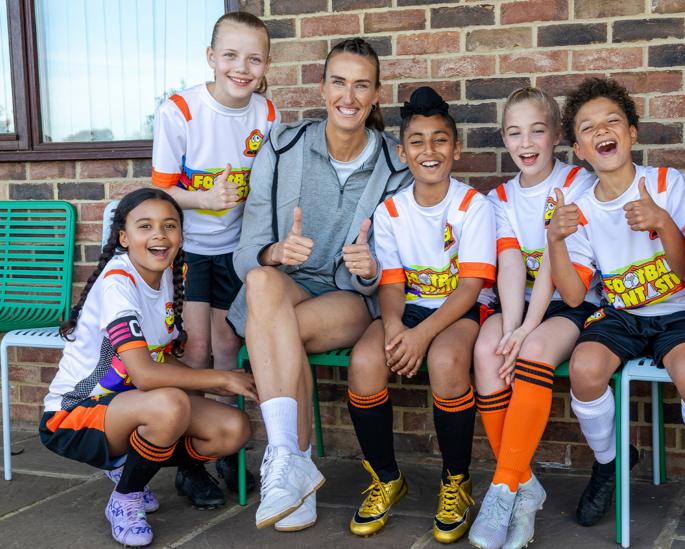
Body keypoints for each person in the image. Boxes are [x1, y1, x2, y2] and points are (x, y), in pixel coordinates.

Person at [228, 37, 412, 532]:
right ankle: (292, 460)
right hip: (283, 287)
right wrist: (274, 252)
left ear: (376, 94)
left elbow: (394, 269)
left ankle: (289, 462)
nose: (348, 97)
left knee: (275, 328)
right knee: (262, 281)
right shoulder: (283, 146)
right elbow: (246, 253)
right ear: (322, 87)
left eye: (361, 86)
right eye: (338, 83)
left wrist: (370, 268)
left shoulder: (395, 167)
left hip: (348, 298)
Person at [547, 78, 685, 546]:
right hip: (623, 314)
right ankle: (609, 464)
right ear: (579, 150)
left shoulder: (667, 183)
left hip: (681, 308)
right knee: (585, 369)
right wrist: (555, 240)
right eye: (588, 127)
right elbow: (574, 295)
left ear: (631, 133)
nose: (602, 131)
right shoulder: (581, 208)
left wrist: (663, 223)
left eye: (612, 121)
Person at [39, 189, 256, 547]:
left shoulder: (167, 274)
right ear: (124, 237)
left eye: (170, 225)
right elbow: (145, 374)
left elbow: (158, 357)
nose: (160, 234)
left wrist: (217, 382)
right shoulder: (118, 282)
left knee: (233, 429)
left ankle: (127, 464)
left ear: (181, 234)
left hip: (130, 405)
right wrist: (220, 378)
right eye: (145, 226)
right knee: (171, 403)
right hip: (73, 415)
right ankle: (126, 496)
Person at [345, 86, 496, 544]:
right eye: (417, 141)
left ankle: (456, 482)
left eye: (439, 140)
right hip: (409, 310)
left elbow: (469, 289)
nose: (429, 150)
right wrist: (395, 328)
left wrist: (421, 337)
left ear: (456, 148)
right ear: (402, 152)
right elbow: (392, 283)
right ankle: (386, 478)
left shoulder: (473, 206)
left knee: (445, 361)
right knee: (364, 361)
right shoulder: (391, 210)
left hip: (461, 311)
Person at [150, 11, 276, 507]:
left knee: (228, 347)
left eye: (254, 59)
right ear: (210, 57)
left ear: (266, 65)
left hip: (236, 249)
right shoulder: (180, 110)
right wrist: (204, 199)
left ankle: (226, 447)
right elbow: (159, 192)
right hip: (190, 249)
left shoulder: (267, 113)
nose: (241, 68)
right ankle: (190, 463)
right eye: (230, 55)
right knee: (196, 351)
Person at [468, 87, 600, 549]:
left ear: (557, 135)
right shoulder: (500, 197)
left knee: (534, 350)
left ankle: (502, 487)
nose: (526, 144)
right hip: (519, 302)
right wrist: (510, 328)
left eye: (537, 131)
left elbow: (552, 262)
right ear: (504, 138)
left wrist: (526, 331)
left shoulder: (578, 182)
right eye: (514, 133)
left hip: (569, 299)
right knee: (488, 350)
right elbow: (509, 263)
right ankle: (524, 488)